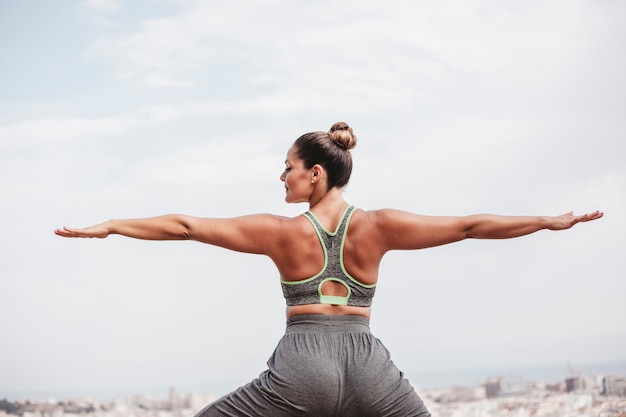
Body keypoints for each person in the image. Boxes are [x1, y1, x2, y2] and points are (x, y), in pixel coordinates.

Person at [55, 121, 603, 417]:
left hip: (303, 366)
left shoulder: (281, 231)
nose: (281, 177)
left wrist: (110, 225)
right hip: (368, 365)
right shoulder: (381, 225)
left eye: (288, 168)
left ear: (315, 174)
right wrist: (545, 221)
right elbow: (468, 225)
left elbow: (185, 226)